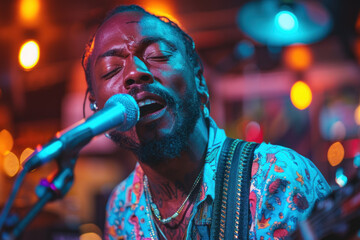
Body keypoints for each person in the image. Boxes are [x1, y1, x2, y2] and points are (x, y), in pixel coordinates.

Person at [81, 5, 331, 240]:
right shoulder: (120, 207)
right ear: (97, 107)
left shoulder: (278, 179)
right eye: (111, 69)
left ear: (199, 78)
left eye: (156, 55)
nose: (134, 73)